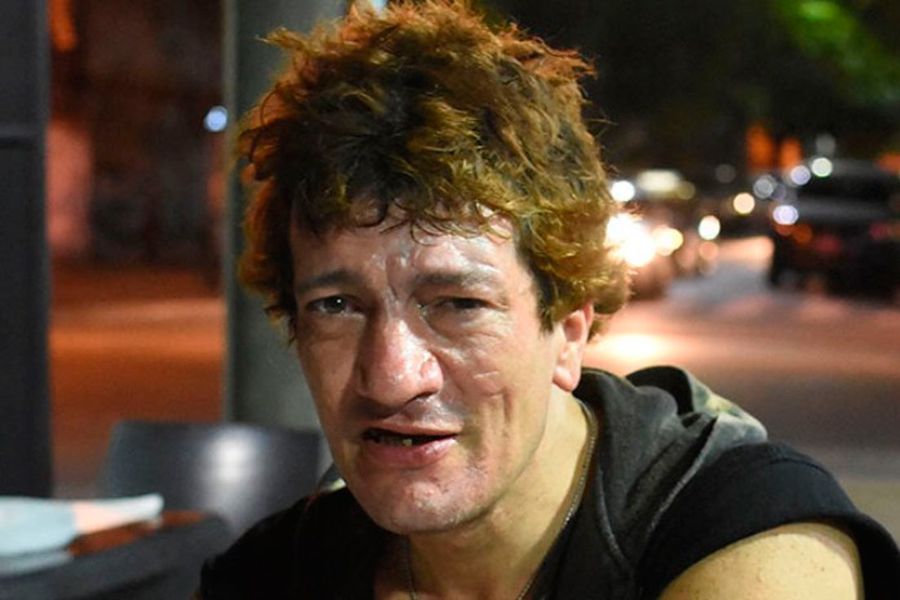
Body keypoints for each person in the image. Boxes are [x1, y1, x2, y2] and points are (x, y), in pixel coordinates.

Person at [199, 1, 899, 598]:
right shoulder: (273, 571)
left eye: (458, 304)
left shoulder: (741, 541)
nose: (391, 377)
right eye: (336, 306)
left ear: (568, 330)